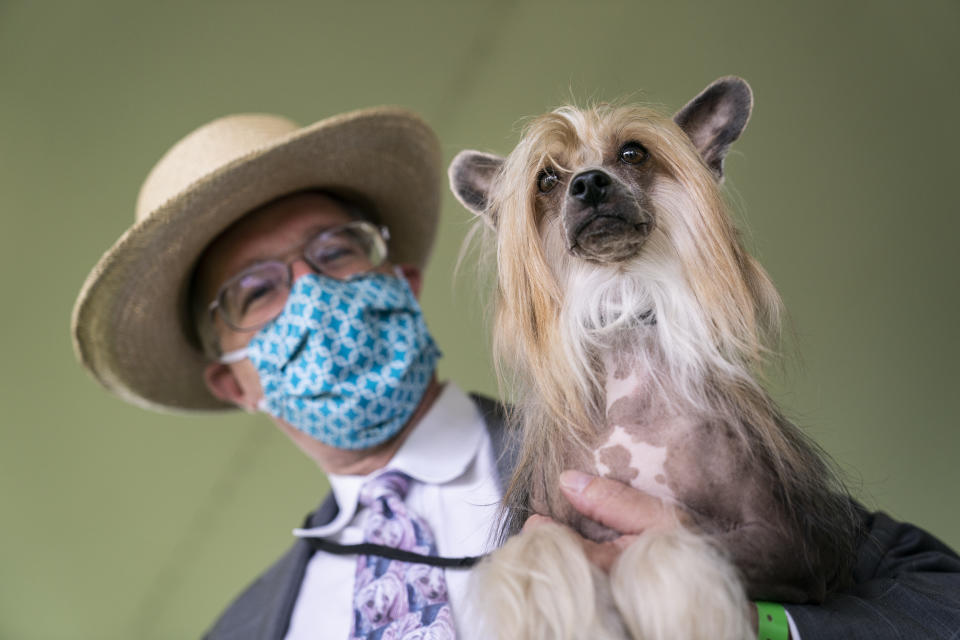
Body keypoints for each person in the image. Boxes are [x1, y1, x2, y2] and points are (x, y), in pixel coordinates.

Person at [72, 108, 960, 640]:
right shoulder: (240, 631)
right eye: (256, 292)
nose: (310, 294)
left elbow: (937, 602)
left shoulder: (662, 438)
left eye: (336, 250)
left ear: (403, 281)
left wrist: (747, 622)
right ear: (233, 379)